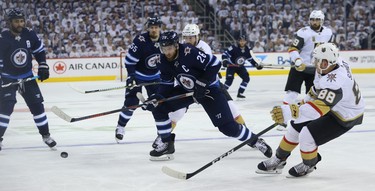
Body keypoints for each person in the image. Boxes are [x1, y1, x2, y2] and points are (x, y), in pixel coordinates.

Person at [142, 31, 272, 161]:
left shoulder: (189, 52)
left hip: (209, 90)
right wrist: (157, 97)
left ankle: (255, 141)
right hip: (187, 89)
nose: (167, 52)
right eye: (163, 48)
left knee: (228, 128)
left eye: (169, 48)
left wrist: (202, 82)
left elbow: (215, 64)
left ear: (176, 45)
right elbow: (167, 84)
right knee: (158, 107)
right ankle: (166, 143)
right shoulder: (162, 60)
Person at [256, 43, 365, 177]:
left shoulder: (335, 83)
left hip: (346, 115)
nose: (316, 63)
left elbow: (317, 110)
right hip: (334, 105)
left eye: (319, 61)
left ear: (327, 62)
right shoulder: (328, 66)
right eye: (316, 60)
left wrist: (290, 111)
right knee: (295, 126)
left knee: (306, 135)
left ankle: (309, 164)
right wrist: (304, 101)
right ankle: (279, 159)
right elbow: (318, 87)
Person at [0, 8, 56, 151]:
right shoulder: (2, 38)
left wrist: (43, 66)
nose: (20, 24)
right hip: (8, 79)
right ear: (9, 23)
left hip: (27, 77)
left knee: (37, 106)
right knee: (6, 109)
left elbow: (39, 50)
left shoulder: (29, 34)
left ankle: (46, 136)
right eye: (16, 21)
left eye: (21, 21)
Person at [115, 17, 163, 142]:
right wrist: (131, 76)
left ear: (159, 28)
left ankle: (161, 134)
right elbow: (129, 61)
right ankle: (120, 127)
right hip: (137, 75)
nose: (154, 30)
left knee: (158, 105)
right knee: (131, 103)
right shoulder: (141, 41)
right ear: (148, 28)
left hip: (155, 77)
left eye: (156, 27)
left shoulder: (165, 40)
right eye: (152, 27)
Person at [283, 10, 334, 105]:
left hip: (316, 70)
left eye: (317, 20)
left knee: (313, 96)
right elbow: (293, 48)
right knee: (292, 93)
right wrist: (297, 60)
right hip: (299, 68)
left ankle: (308, 117)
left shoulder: (328, 33)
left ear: (322, 20)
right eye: (312, 20)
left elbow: (330, 50)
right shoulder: (303, 32)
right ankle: (283, 116)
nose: (314, 22)